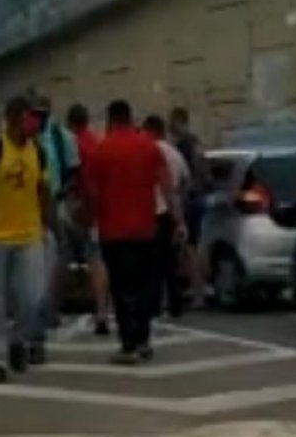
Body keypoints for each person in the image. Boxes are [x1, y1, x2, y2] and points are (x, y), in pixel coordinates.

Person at [86, 100, 184, 365]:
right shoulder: (149, 147)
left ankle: (128, 344)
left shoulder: (101, 150)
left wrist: (92, 219)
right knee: (144, 286)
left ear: (110, 120)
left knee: (122, 288)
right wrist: (178, 221)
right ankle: (144, 340)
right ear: (130, 119)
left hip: (113, 230)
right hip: (146, 228)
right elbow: (167, 187)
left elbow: (93, 193)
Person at [0, 95, 50, 384]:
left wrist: (50, 225)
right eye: (32, 117)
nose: (37, 123)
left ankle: (18, 339)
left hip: (29, 235)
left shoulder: (37, 151)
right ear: (16, 118)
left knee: (34, 296)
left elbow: (43, 190)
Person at [31, 95, 81, 328]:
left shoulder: (62, 138)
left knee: (58, 257)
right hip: (28, 205)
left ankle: (50, 305)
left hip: (55, 203)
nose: (38, 119)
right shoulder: (26, 137)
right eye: (35, 114)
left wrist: (61, 195)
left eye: (42, 114)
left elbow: (74, 173)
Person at [66, 103, 110, 336]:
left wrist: (79, 207)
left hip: (82, 208)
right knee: (97, 261)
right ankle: (101, 311)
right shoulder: (97, 143)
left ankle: (49, 309)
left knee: (62, 256)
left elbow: (75, 180)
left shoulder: (73, 145)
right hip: (102, 208)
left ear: (70, 123)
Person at [143, 114, 190, 318]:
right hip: (171, 211)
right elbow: (186, 180)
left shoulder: (148, 150)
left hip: (152, 210)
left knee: (152, 263)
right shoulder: (175, 153)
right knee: (170, 261)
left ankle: (153, 304)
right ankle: (175, 302)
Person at [169, 106, 209, 309]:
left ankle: (196, 293)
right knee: (192, 247)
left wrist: (186, 193)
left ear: (179, 121)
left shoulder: (184, 145)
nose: (170, 127)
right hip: (198, 199)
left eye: (172, 122)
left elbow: (185, 176)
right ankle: (196, 291)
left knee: (188, 247)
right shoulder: (196, 142)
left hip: (189, 200)